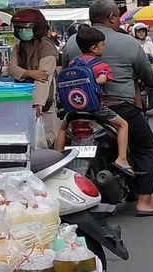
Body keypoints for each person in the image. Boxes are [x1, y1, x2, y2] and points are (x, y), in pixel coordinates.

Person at [62, 0, 153, 216]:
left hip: (79, 109)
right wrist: (150, 82)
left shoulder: (73, 42)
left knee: (64, 131)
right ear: (112, 17)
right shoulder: (128, 42)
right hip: (119, 107)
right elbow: (148, 75)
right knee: (147, 147)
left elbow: (65, 71)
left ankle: (58, 158)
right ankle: (144, 201)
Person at [55, 26, 134, 175]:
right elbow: (103, 79)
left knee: (63, 128)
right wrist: (93, 81)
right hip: (96, 108)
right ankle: (122, 158)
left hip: (74, 110)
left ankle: (57, 157)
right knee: (123, 125)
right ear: (94, 48)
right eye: (102, 44)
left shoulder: (73, 63)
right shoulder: (101, 65)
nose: (104, 47)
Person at [7, 9, 59, 144]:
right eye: (19, 28)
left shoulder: (47, 48)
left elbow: (43, 78)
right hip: (22, 101)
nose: (23, 31)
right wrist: (29, 73)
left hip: (44, 104)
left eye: (26, 28)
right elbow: (11, 69)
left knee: (47, 140)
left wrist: (38, 103)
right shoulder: (19, 48)